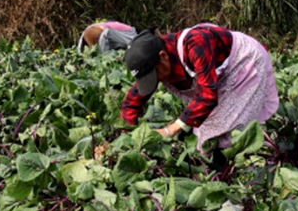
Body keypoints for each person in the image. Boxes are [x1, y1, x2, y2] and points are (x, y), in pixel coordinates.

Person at [120, 23, 280, 169]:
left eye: (154, 75)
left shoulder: (195, 43)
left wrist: (171, 129)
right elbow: (132, 102)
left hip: (243, 62)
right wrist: (129, 140)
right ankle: (218, 162)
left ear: (163, 56)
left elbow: (207, 97)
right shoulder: (153, 59)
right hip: (215, 75)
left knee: (223, 128)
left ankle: (247, 166)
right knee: (205, 130)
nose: (156, 81)